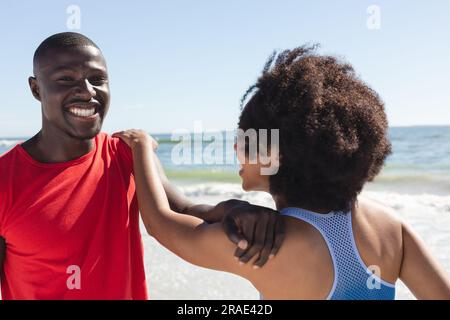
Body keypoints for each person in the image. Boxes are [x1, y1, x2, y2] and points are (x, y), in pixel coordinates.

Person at [114, 45, 450, 299]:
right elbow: (184, 206)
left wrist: (141, 146)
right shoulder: (391, 227)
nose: (235, 149)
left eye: (244, 140)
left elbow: (162, 224)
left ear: (271, 154)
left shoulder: (266, 247)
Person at [0, 32, 285, 300]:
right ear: (36, 88)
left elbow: (183, 209)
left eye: (97, 78)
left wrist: (237, 209)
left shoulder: (126, 154)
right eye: (66, 79)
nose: (87, 92)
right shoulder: (5, 179)